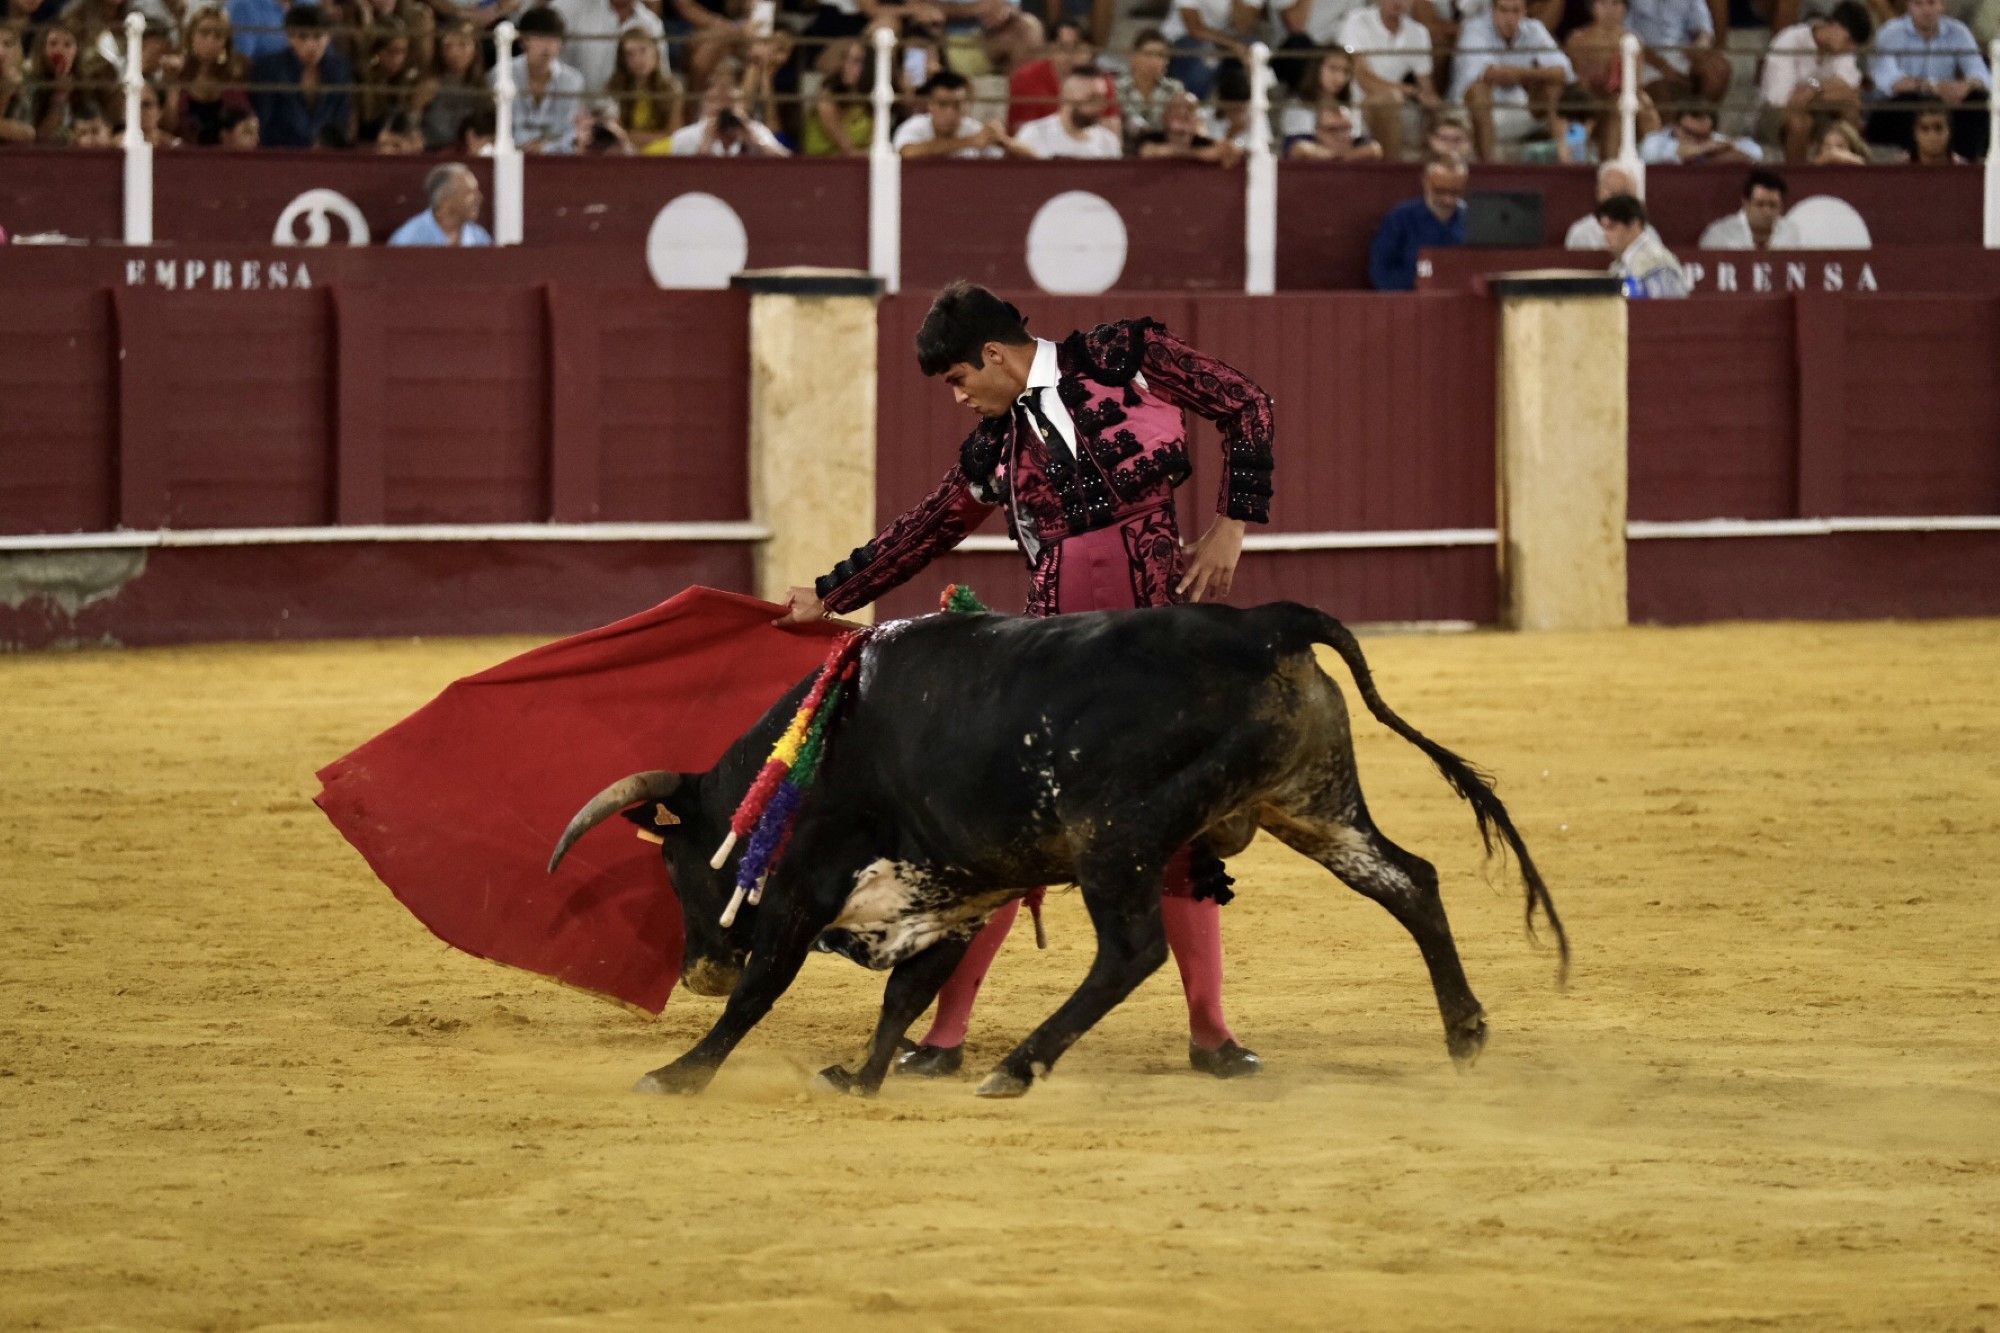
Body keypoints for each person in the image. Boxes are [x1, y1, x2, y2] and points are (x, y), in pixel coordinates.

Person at [777, 281, 1276, 1081]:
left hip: (1154, 660)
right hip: (1052, 669)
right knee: (1000, 842)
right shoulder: (994, 449)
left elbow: (1247, 404)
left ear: (996, 355)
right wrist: (832, 593)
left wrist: (1232, 523)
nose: (959, 395)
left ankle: (1212, 1031)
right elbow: (926, 528)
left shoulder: (1124, 360)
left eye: (959, 379)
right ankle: (944, 1037)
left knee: (1177, 832)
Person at [1865, 0, 1991, 163]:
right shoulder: (1891, 31)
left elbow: (1981, 73)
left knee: (1977, 100)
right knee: (1903, 102)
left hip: (1945, 103)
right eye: (1919, 4)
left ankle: (1969, 163)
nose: (1926, 10)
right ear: (1909, 6)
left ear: (1942, 5)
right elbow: (1886, 78)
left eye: (1931, 3)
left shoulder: (1958, 31)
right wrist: (1931, 86)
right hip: (1904, 104)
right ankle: (1906, 160)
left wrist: (1966, 86)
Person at [1451, 0, 1572, 161]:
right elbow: (1491, 75)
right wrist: (1534, 74)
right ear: (1493, 10)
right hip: (1470, 113)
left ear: (1524, 12)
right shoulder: (1474, 29)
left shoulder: (1534, 28)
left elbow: (1563, 72)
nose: (1509, 17)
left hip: (1519, 107)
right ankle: (1490, 167)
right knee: (1479, 90)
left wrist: (1518, 73)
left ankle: (1566, 159)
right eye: (1504, 10)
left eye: (1516, 11)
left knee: (1553, 86)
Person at [1758, 1, 1868, 164]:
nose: (1850, 48)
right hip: (1774, 113)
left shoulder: (1842, 50)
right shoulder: (1790, 40)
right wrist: (1828, 91)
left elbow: (1850, 88)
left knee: (1851, 105)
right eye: (1848, 40)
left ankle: (1850, 170)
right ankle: (1797, 179)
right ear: (1835, 26)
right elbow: (1783, 99)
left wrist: (1813, 89)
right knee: (1801, 123)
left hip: (1817, 110)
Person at [1345, 0, 1439, 160]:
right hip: (1357, 103)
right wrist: (1410, 91)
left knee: (1439, 110)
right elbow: (1363, 78)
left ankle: (1440, 175)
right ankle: (1392, 173)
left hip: (1397, 101)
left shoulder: (1418, 32)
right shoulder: (1356, 21)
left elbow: (1426, 87)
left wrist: (1432, 103)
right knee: (1390, 100)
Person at [250, 6, 355, 147]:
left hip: (327, 157)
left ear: (328, 37)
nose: (311, 45)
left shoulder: (340, 70)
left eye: (318, 36)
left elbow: (341, 119)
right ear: (290, 37)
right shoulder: (269, 69)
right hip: (281, 155)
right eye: (303, 36)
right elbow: (264, 121)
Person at [492, 3, 583, 152]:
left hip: (556, 160)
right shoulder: (501, 74)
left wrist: (545, 147)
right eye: (540, 38)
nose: (547, 46)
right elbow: (497, 127)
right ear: (523, 41)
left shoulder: (572, 80)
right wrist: (525, 145)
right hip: (510, 155)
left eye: (553, 38)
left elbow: (568, 131)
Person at [1368, 151, 1465, 290]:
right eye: (1440, 191)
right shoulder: (1401, 218)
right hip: (1411, 301)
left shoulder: (1474, 220)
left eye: (1455, 192)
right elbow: (1380, 271)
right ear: (1425, 182)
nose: (1447, 199)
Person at [893, 67, 1030, 156]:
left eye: (957, 105)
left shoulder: (974, 129)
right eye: (943, 104)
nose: (950, 112)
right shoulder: (915, 126)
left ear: (967, 106)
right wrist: (970, 142)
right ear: (930, 105)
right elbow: (907, 152)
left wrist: (1002, 140)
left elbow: (1032, 158)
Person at [1627, 0, 1728, 105]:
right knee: (1661, 90)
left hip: (1683, 54)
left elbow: (1705, 31)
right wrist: (1663, 67)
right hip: (1646, 58)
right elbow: (1625, 34)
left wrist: (1699, 47)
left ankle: (1701, 117)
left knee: (1718, 69)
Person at [413, 16, 487, 150]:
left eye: (463, 45)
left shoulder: (484, 87)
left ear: (475, 49)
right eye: (448, 46)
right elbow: (412, 121)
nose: (455, 53)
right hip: (432, 150)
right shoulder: (430, 85)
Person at [1014, 66, 1120, 157]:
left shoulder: (1108, 142)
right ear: (1066, 98)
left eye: (1101, 99)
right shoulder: (1034, 134)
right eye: (1091, 98)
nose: (1099, 107)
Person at [603, 24, 678, 150]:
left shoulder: (672, 89)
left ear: (655, 51)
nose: (638, 59)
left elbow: (673, 136)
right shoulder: (615, 88)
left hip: (661, 154)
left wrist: (630, 136)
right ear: (623, 60)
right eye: (630, 54)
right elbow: (615, 134)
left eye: (643, 50)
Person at [1596, 192, 1686, 296]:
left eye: (1612, 227)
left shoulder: (1656, 262)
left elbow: (1667, 308)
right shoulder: (1619, 265)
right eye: (1604, 228)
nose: (1606, 235)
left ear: (1634, 224)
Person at [389, 161, 493, 245]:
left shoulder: (480, 238)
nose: (480, 198)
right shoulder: (408, 240)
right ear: (445, 200)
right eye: (470, 193)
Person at [1698, 167, 1800, 250]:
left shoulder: (1790, 232)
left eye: (1773, 205)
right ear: (1746, 203)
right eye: (1760, 204)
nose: (1767, 211)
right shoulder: (1720, 234)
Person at [1564, 159, 1658, 247]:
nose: (1616, 199)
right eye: (1611, 190)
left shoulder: (1647, 234)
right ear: (1598, 192)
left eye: (1622, 192)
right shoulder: (1581, 233)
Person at [1114, 26, 1183, 144]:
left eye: (1160, 55)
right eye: (1148, 54)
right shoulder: (1116, 87)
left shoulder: (1174, 89)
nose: (1154, 61)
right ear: (1132, 55)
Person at [1136, 87, 1242, 162]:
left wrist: (1230, 149)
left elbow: (1230, 150)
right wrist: (1202, 155)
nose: (1183, 113)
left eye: (1190, 109)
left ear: (1198, 120)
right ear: (1164, 117)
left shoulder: (1206, 142)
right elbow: (1148, 152)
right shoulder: (1149, 138)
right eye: (1176, 108)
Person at [1639, 100, 1759, 163]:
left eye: (1700, 136)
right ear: (1675, 125)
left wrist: (1725, 146)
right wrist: (1704, 148)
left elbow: (1756, 152)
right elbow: (1649, 154)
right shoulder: (1654, 141)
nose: (1694, 140)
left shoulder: (1715, 140)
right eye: (1689, 132)